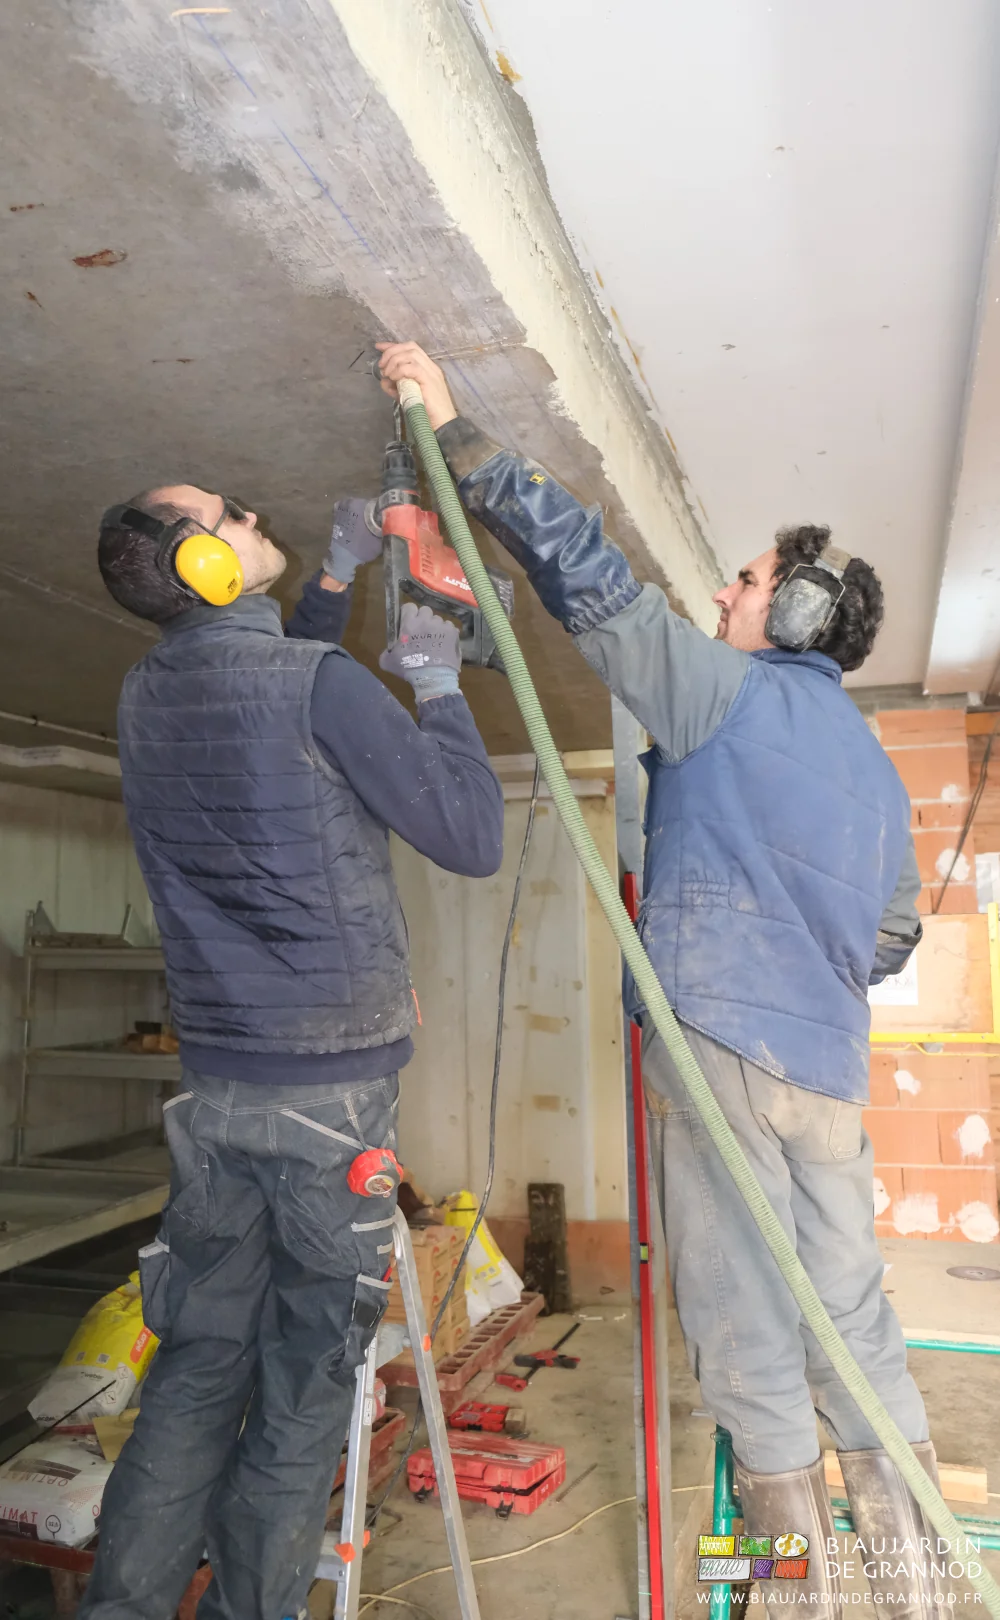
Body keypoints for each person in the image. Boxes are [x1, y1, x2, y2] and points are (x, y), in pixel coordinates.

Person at [376, 342, 936, 1614]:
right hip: (827, 1077)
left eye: (743, 583)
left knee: (743, 1332)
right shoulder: (872, 769)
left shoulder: (727, 695)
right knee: (849, 1315)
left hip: (719, 1056)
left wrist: (463, 442)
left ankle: (788, 1598)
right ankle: (914, 1589)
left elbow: (592, 585)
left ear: (789, 613)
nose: (725, 597)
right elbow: (892, 939)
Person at [82, 482, 504, 1620]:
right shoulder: (320, 686)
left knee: (195, 1369)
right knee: (302, 1387)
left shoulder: (144, 693)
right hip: (330, 1102)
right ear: (207, 571)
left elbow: (268, 698)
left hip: (217, 1094)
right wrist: (430, 686)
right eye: (229, 515)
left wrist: (331, 578)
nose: (251, 509)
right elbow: (469, 835)